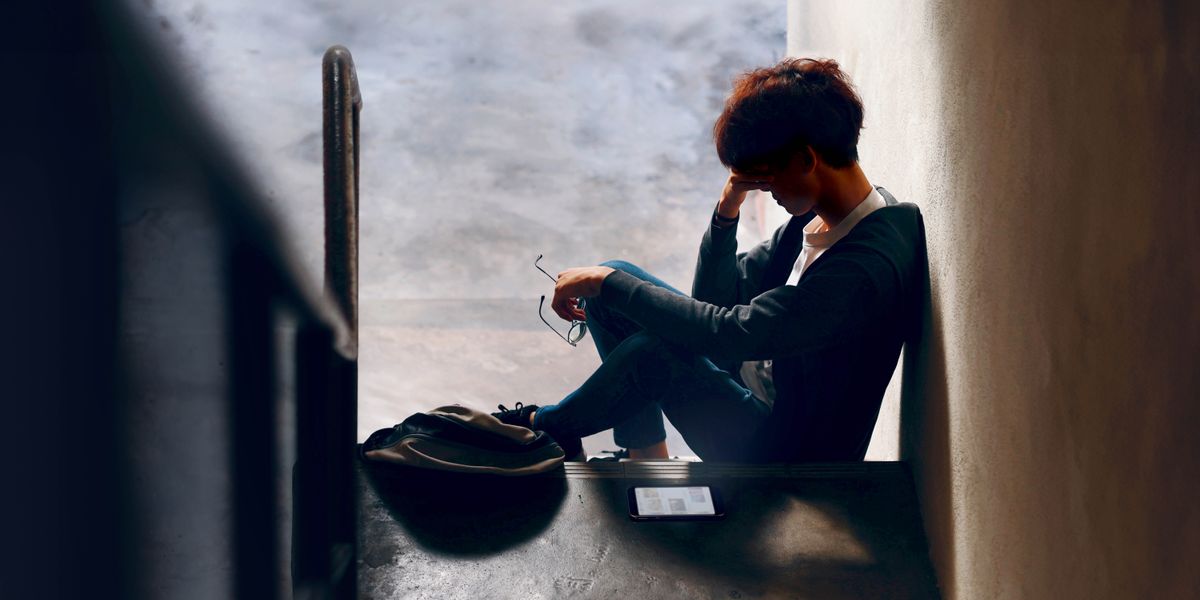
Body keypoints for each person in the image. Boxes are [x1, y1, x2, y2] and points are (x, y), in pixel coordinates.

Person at [492, 57, 927, 463]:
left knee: (645, 343)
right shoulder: (823, 219)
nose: (764, 189)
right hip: (753, 389)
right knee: (616, 281)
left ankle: (541, 429)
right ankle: (647, 455)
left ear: (806, 160)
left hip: (783, 450)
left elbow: (727, 334)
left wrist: (606, 283)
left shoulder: (862, 269)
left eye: (765, 176)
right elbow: (715, 298)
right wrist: (727, 208)